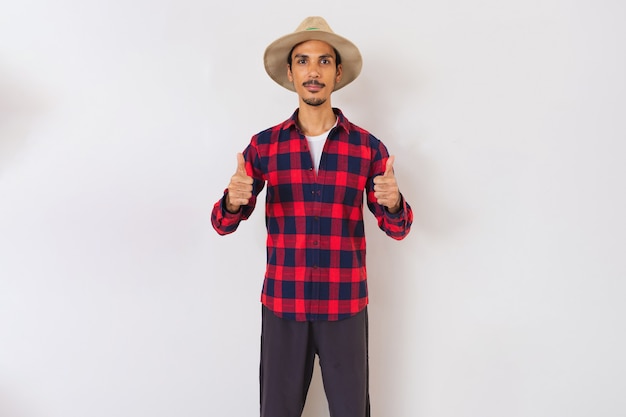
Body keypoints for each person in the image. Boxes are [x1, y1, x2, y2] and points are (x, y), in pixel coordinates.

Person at [211, 16, 413, 417]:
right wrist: (234, 200)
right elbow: (223, 222)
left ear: (337, 72)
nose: (313, 71)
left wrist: (392, 202)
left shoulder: (368, 148)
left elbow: (398, 228)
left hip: (345, 305)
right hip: (284, 303)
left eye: (323, 61)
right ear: (291, 73)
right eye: (303, 61)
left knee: (351, 410)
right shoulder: (265, 146)